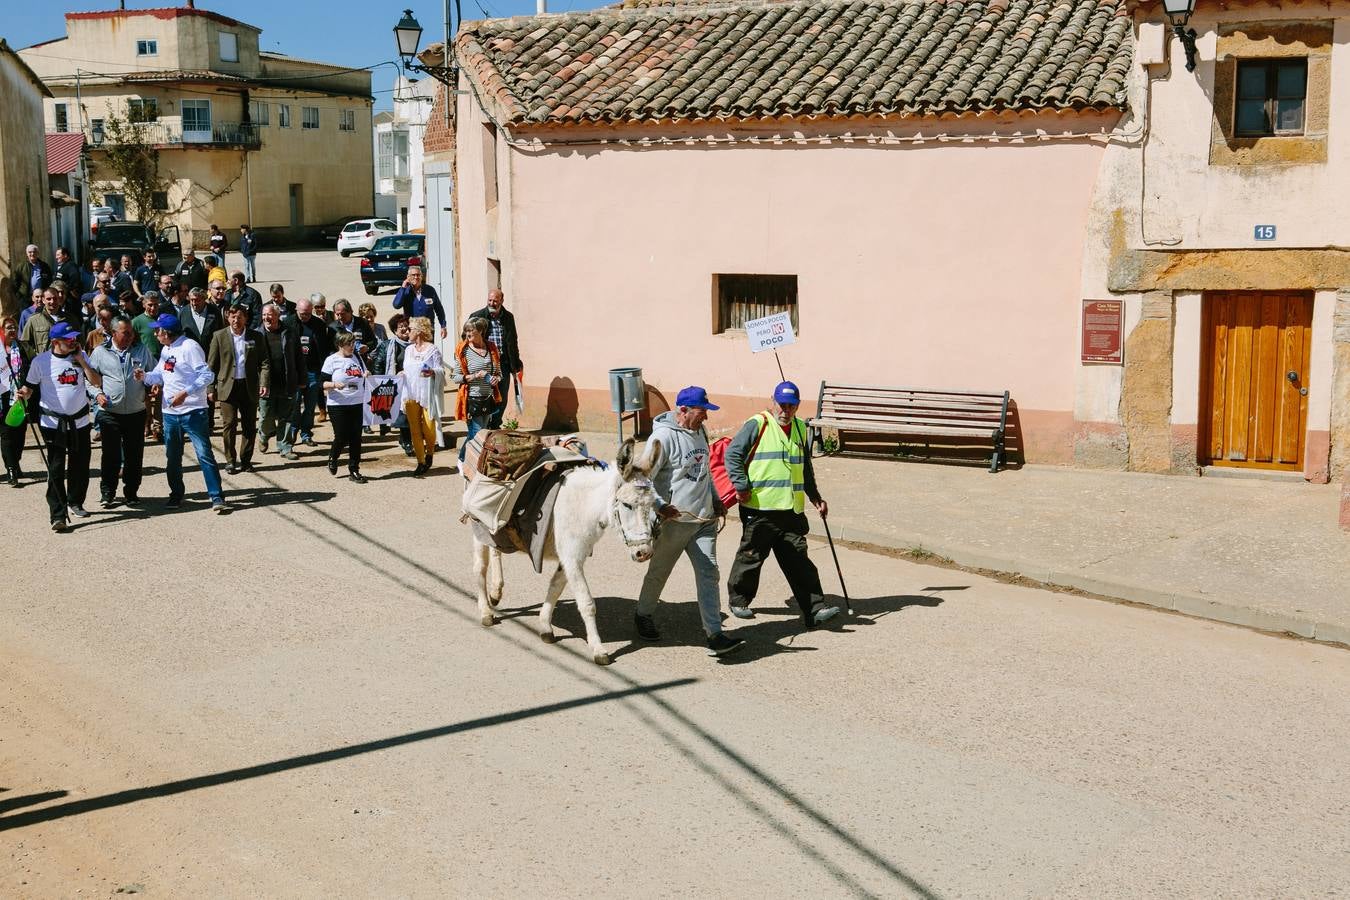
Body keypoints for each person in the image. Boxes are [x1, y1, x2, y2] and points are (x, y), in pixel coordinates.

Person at [633, 386, 746, 657]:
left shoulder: (700, 433)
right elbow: (643, 479)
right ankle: (643, 614)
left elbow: (704, 471)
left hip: (703, 520)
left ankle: (715, 635)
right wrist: (660, 507)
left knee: (709, 573)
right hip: (674, 522)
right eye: (701, 412)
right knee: (659, 572)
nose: (705, 417)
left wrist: (716, 499)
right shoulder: (662, 438)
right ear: (682, 410)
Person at [724, 381, 840, 629]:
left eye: (791, 406)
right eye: (782, 404)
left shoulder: (799, 427)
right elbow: (732, 454)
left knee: (799, 560)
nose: (785, 410)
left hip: (791, 509)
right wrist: (741, 486)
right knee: (752, 556)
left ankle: (815, 609)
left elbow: (805, 468)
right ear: (773, 402)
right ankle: (739, 599)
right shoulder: (758, 424)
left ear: (797, 406)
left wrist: (815, 497)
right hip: (760, 507)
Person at [136, 314, 228, 513]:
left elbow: (207, 375)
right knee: (173, 457)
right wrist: (144, 376)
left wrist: (185, 394)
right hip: (170, 413)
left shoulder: (189, 347)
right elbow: (160, 375)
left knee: (204, 454)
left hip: (193, 411)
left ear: (167, 332)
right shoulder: (166, 349)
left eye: (158, 330)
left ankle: (216, 496)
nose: (155, 333)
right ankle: (176, 494)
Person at [17, 321, 102, 531]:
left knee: (80, 464)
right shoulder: (41, 362)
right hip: (53, 423)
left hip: (80, 421)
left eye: (74, 338)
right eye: (68, 339)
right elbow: (30, 388)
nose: (73, 341)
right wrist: (24, 394)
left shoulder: (80, 357)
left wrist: (82, 360)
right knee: (55, 467)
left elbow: (96, 382)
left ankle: (75, 501)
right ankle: (57, 514)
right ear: (55, 342)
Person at [87, 317, 154, 507]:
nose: (130, 336)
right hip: (110, 413)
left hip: (135, 411)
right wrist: (97, 394)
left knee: (134, 455)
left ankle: (131, 493)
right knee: (111, 455)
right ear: (114, 333)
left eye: (131, 333)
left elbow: (154, 371)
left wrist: (152, 382)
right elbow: (88, 379)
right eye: (126, 333)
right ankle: (107, 492)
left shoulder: (141, 350)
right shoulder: (100, 352)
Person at [208, 303, 270, 474]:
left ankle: (246, 460)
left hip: (249, 386)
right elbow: (211, 365)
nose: (236, 320)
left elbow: (264, 362)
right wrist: (210, 388)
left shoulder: (256, 337)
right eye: (233, 316)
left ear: (246, 318)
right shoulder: (219, 336)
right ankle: (230, 460)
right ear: (228, 318)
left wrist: (264, 383)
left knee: (250, 425)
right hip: (228, 386)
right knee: (229, 424)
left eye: (240, 316)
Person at [469, 289, 523, 429]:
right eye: (490, 300)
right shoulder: (477, 316)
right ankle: (483, 425)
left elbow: (513, 341)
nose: (492, 303)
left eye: (495, 301)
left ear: (501, 302)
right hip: (484, 363)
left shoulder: (508, 317)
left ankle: (495, 424)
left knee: (502, 396)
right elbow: (466, 339)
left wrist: (515, 363)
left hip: (503, 362)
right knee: (485, 394)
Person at [319, 332, 368, 483]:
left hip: (357, 402)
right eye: (349, 344)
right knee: (341, 435)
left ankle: (354, 469)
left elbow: (362, 373)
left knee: (356, 437)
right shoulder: (332, 360)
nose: (352, 347)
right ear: (340, 345)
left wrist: (366, 373)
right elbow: (322, 383)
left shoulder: (357, 358)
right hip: (338, 404)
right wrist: (333, 384)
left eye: (353, 343)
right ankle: (333, 457)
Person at [451, 316, 500, 463]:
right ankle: (464, 461)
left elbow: (499, 372)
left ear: (481, 331)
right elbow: (455, 377)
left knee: (481, 433)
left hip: (488, 397)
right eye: (466, 331)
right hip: (472, 398)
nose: (468, 334)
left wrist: (496, 378)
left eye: (471, 330)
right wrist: (474, 376)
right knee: (476, 433)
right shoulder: (463, 350)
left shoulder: (491, 347)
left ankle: (467, 460)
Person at [257, 303, 301, 461]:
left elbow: (298, 357)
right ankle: (264, 434)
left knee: (287, 416)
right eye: (263, 315)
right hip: (265, 384)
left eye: (269, 314)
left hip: (287, 381)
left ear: (277, 316)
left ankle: (285, 447)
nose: (266, 318)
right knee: (266, 416)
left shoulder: (289, 332)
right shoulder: (256, 334)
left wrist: (301, 379)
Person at [401, 317, 443, 477]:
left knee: (429, 428)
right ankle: (420, 462)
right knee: (415, 430)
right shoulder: (408, 350)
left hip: (427, 394)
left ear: (419, 331)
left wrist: (433, 372)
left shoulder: (432, 349)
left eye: (410, 329)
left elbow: (440, 370)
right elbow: (407, 370)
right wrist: (402, 374)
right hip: (411, 393)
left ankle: (430, 453)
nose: (407, 332)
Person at [290, 296, 331, 447]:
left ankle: (306, 433)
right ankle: (293, 430)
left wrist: (324, 372)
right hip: (295, 372)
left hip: (313, 371)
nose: (305, 316)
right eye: (302, 314)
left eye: (308, 313)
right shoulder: (288, 323)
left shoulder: (319, 324)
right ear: (296, 310)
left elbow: (324, 348)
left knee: (310, 405)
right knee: (295, 404)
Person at [0, 315, 30, 485]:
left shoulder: (22, 347)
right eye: (8, 327)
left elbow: (29, 369)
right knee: (7, 435)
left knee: (20, 434)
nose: (12, 330)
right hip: (2, 398)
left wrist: (26, 387)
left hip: (20, 398)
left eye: (14, 327)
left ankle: (15, 463)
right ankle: (11, 469)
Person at [378, 314, 414, 456]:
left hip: (413, 385)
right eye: (401, 327)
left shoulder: (416, 344)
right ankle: (406, 441)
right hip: (395, 384)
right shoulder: (388, 346)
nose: (405, 329)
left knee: (412, 413)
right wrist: (382, 382)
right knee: (402, 414)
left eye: (406, 325)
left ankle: (406, 438)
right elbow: (379, 365)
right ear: (394, 331)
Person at [20, 283, 80, 356]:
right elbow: (25, 343)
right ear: (43, 300)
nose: (52, 301)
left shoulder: (71, 319)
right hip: (44, 363)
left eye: (55, 298)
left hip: (66, 361)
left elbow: (79, 341)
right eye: (49, 299)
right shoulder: (33, 320)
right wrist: (35, 357)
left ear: (59, 299)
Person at [391, 266, 448, 339]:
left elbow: (439, 309)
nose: (416, 277)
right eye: (413, 275)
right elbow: (396, 305)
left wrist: (443, 326)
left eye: (418, 275)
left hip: (427, 330)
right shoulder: (405, 291)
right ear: (408, 277)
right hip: (412, 330)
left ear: (421, 276)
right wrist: (403, 287)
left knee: (428, 350)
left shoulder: (430, 290)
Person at [327, 299, 375, 365]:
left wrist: (367, 347)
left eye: (342, 314)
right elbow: (330, 349)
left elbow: (373, 341)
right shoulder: (332, 327)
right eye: (337, 314)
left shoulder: (363, 323)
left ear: (350, 311)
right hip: (342, 365)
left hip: (361, 363)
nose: (340, 317)